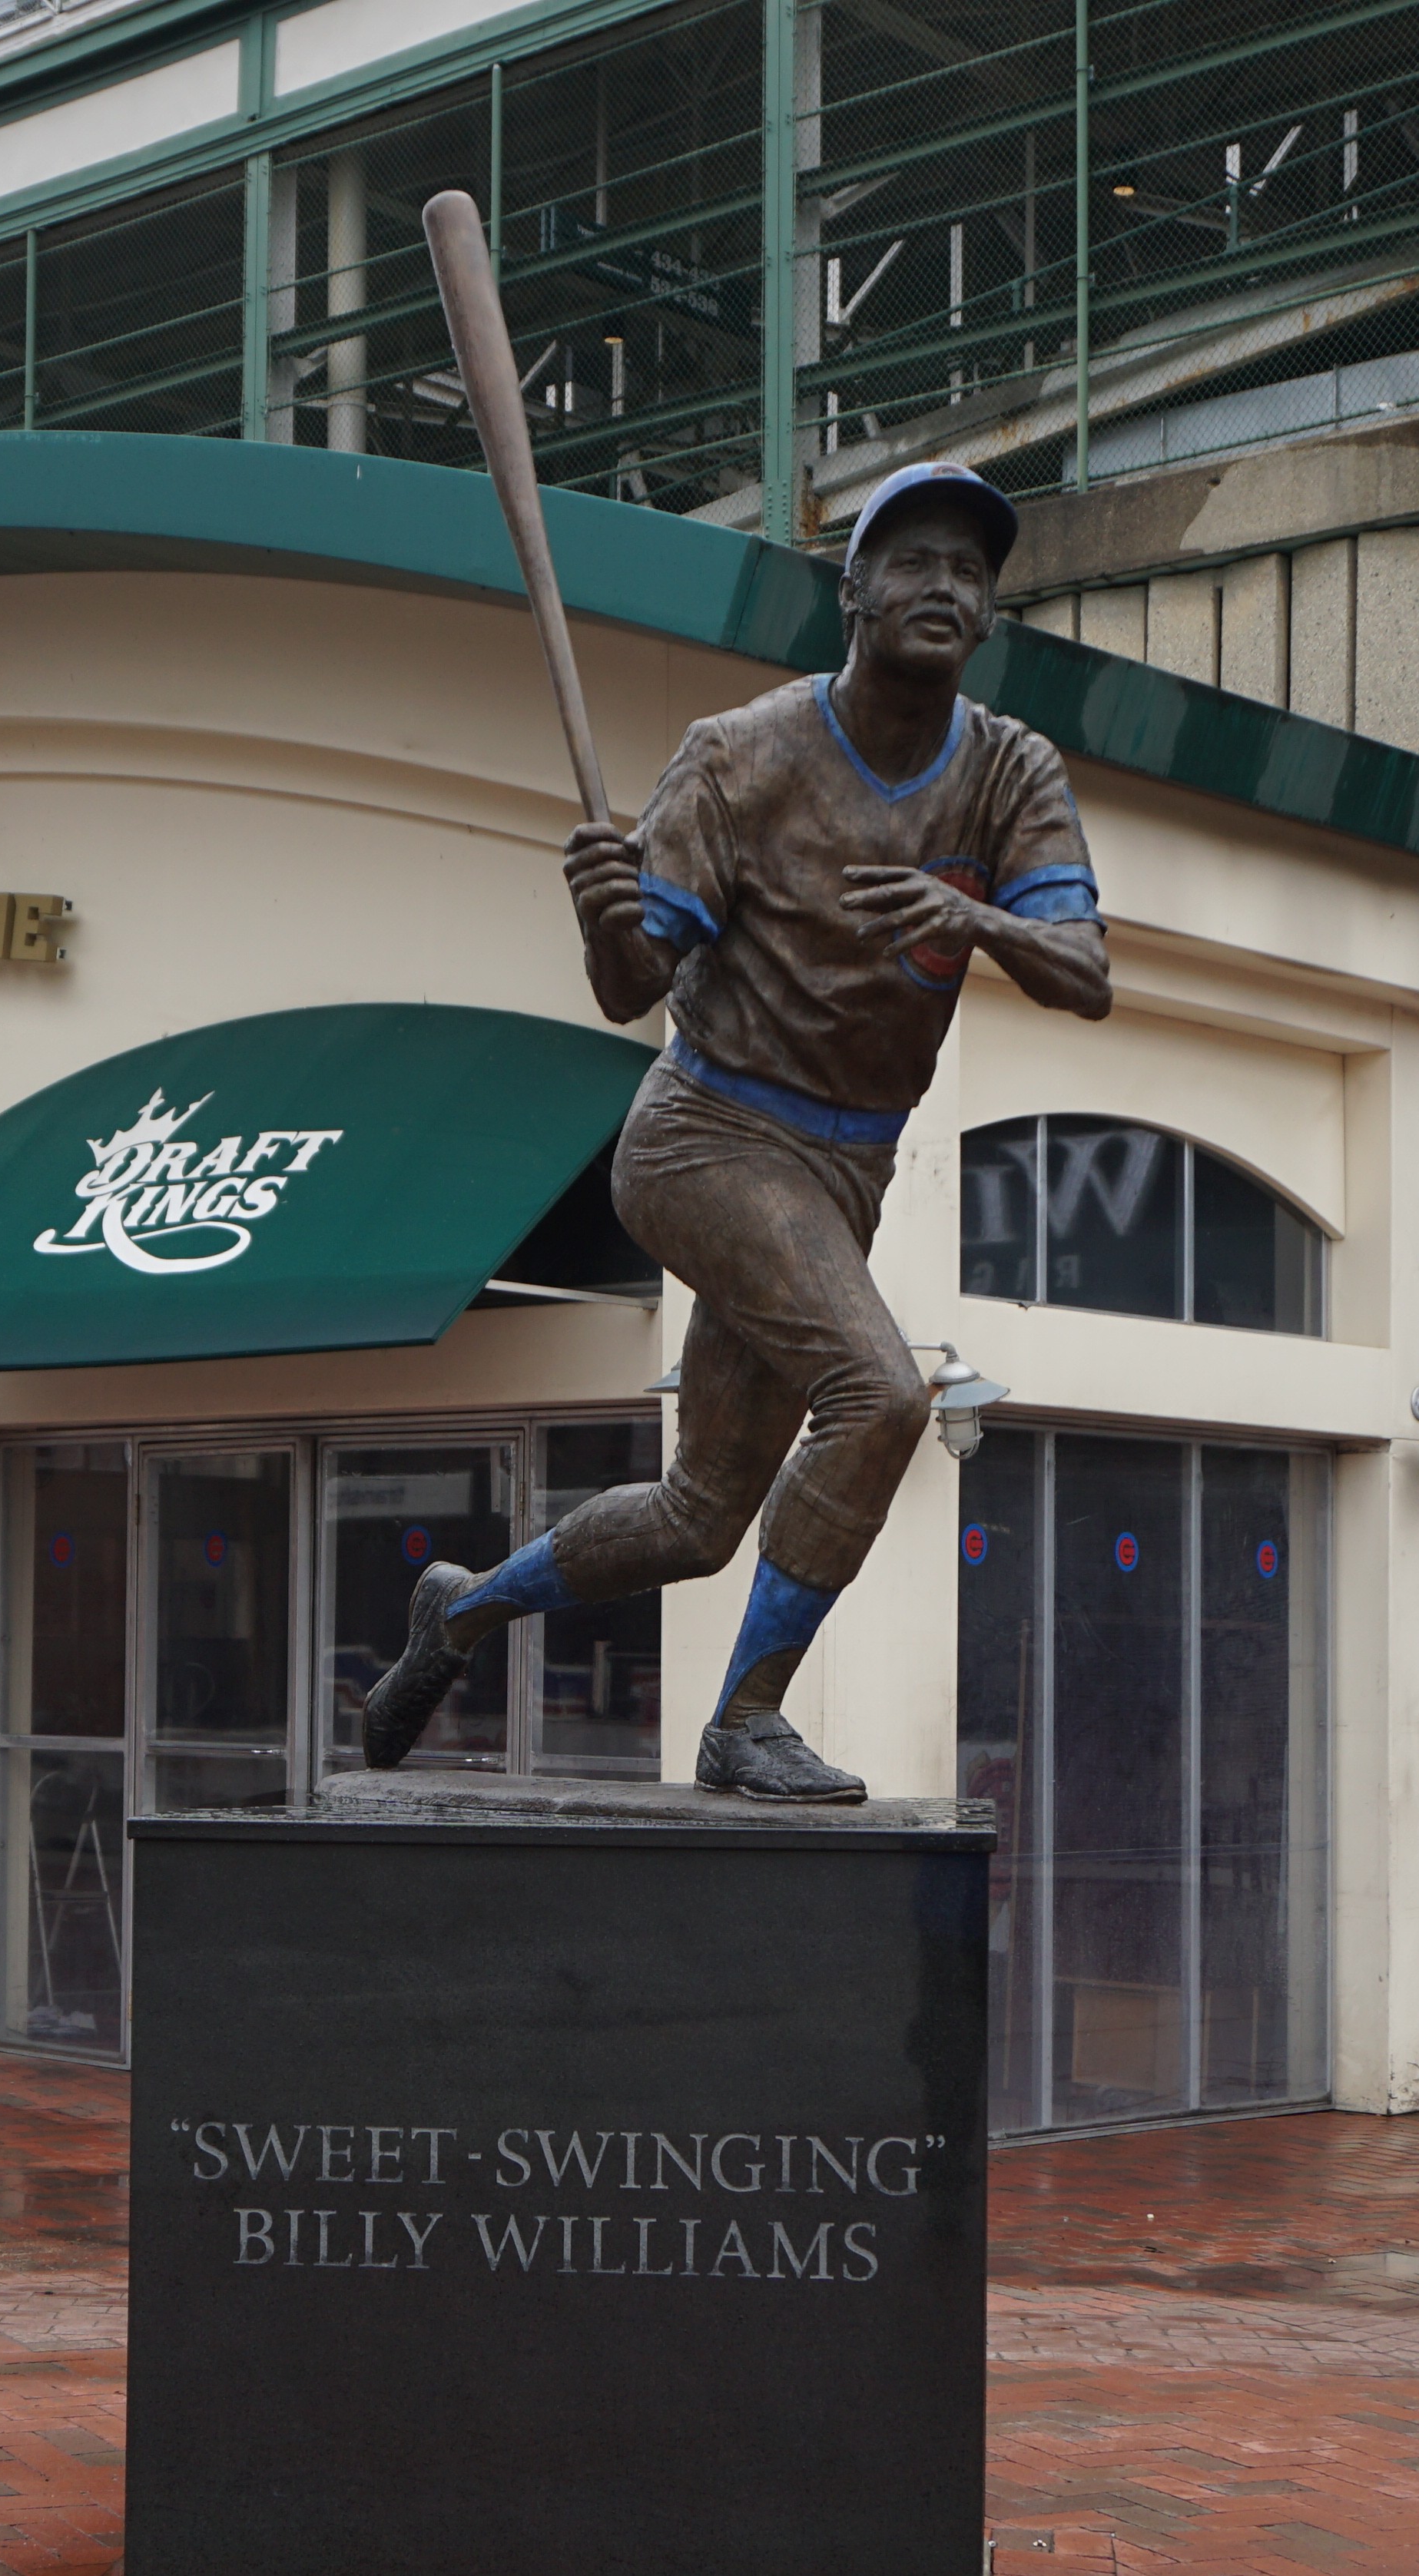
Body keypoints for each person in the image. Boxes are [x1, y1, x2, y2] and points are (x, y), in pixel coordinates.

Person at [363, 460, 1112, 1800]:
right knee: (881, 1396)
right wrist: (605, 916)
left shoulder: (1009, 768)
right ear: (854, 590)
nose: (944, 586)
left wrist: (976, 918)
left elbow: (1086, 973)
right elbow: (630, 989)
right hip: (707, 1134)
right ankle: (746, 1720)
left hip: (845, 1167)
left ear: (991, 611)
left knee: (700, 1516)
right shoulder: (742, 753)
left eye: (969, 570)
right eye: (914, 561)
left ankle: (460, 1612)